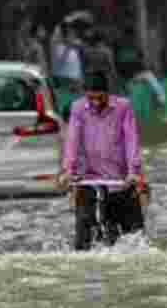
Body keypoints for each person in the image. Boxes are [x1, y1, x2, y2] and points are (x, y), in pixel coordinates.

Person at [57, 71, 146, 250]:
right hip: (89, 178)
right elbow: (72, 140)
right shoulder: (78, 108)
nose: (96, 103)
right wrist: (68, 170)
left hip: (121, 179)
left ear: (108, 94)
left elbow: (131, 139)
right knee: (84, 235)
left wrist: (134, 171)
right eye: (91, 98)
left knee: (134, 236)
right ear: (85, 96)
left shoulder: (123, 107)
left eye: (100, 98)